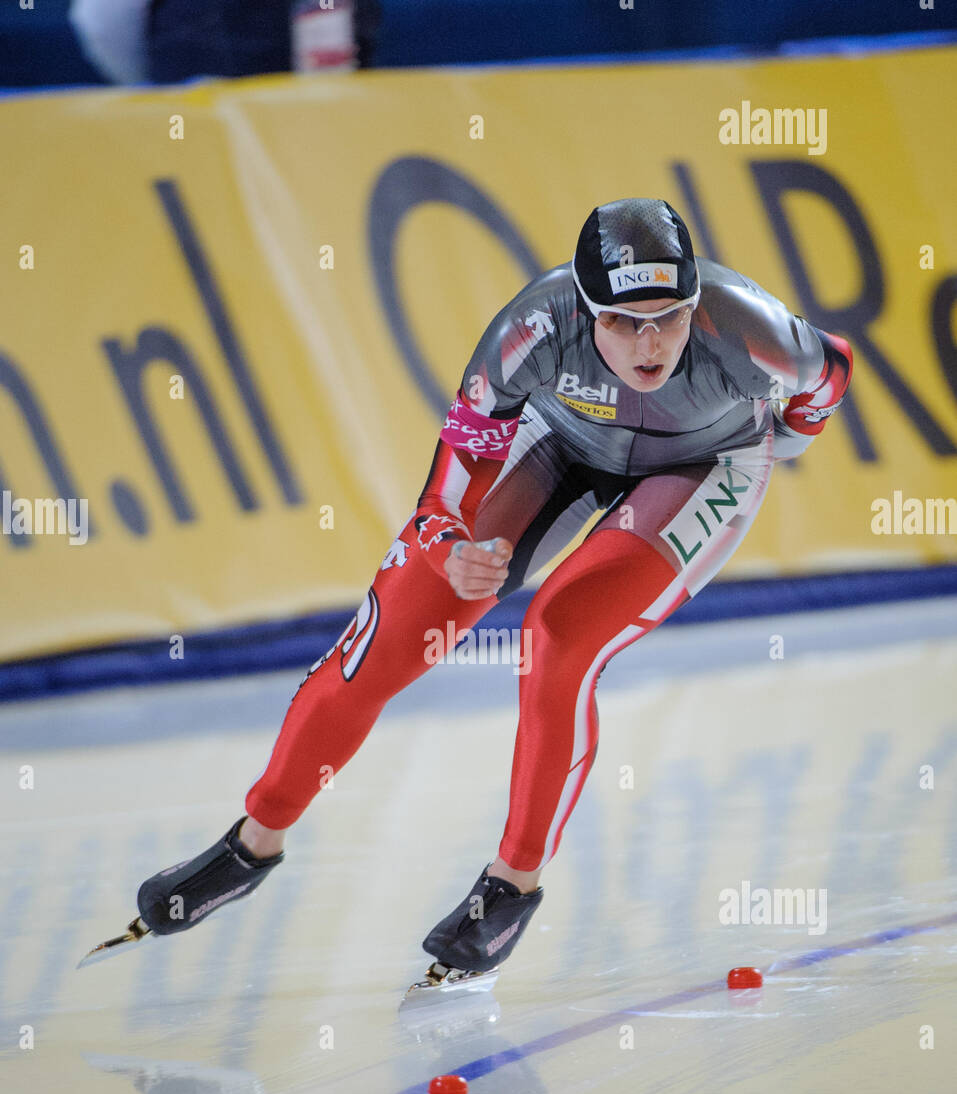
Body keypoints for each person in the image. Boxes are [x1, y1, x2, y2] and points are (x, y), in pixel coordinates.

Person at [130, 198, 852, 990]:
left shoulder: (749, 328)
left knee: (560, 635)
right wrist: (450, 545)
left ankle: (511, 886)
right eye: (619, 323)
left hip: (705, 466)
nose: (648, 344)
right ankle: (251, 844)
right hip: (561, 441)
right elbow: (448, 482)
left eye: (668, 318)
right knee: (393, 630)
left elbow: (832, 370)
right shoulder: (532, 328)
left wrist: (788, 440)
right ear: (583, 311)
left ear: (693, 305)